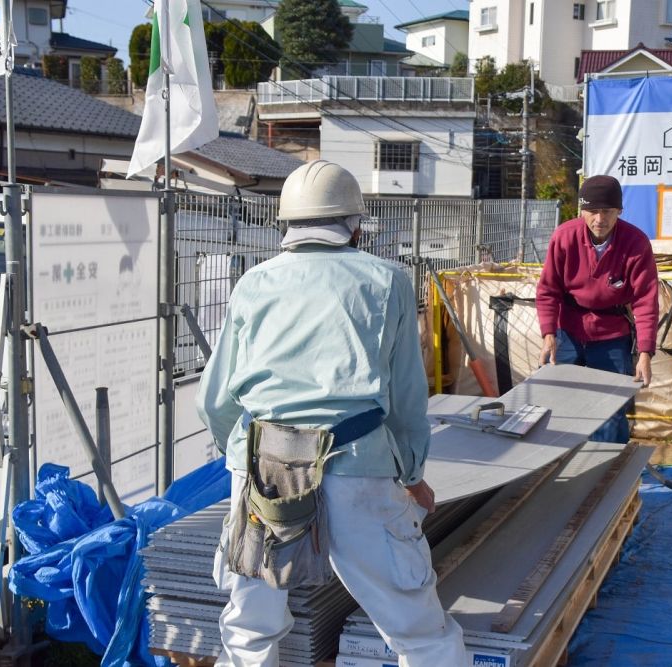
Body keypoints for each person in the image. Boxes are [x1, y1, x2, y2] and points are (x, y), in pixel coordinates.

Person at [196, 160, 468, 667]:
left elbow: (214, 401)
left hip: (266, 470)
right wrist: (412, 472)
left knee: (251, 625)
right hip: (357, 464)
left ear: (286, 225)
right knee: (415, 624)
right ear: (354, 225)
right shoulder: (388, 281)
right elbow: (408, 396)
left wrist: (242, 457)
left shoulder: (252, 284)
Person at [536, 174, 659, 443]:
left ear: (619, 212)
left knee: (610, 410)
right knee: (559, 404)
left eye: (607, 211)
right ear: (581, 210)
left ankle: (608, 472)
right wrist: (548, 334)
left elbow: (646, 300)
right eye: (592, 211)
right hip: (568, 331)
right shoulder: (564, 237)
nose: (599, 219)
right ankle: (560, 469)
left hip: (612, 335)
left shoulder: (636, 243)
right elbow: (548, 289)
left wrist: (646, 352)